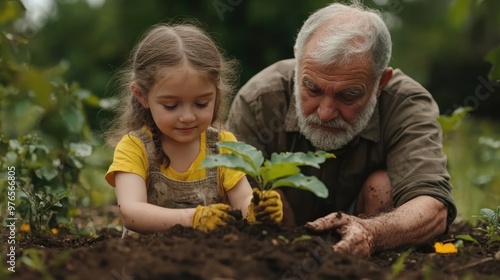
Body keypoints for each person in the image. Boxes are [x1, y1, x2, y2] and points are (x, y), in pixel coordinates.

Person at [226, 1, 457, 258]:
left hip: (370, 250)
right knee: (262, 195)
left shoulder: (405, 104)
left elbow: (432, 205)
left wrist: (371, 232)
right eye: (312, 88)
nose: (325, 112)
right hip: (278, 250)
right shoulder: (260, 100)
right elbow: (228, 192)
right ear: (298, 61)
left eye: (349, 95)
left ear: (381, 83)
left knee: (382, 187)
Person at [104, 22, 283, 236]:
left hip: (211, 264)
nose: (188, 117)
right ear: (141, 95)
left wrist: (256, 210)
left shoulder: (223, 146)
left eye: (201, 104)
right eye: (171, 105)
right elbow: (132, 213)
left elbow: (242, 201)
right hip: (146, 263)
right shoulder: (134, 147)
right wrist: (194, 218)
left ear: (216, 94)